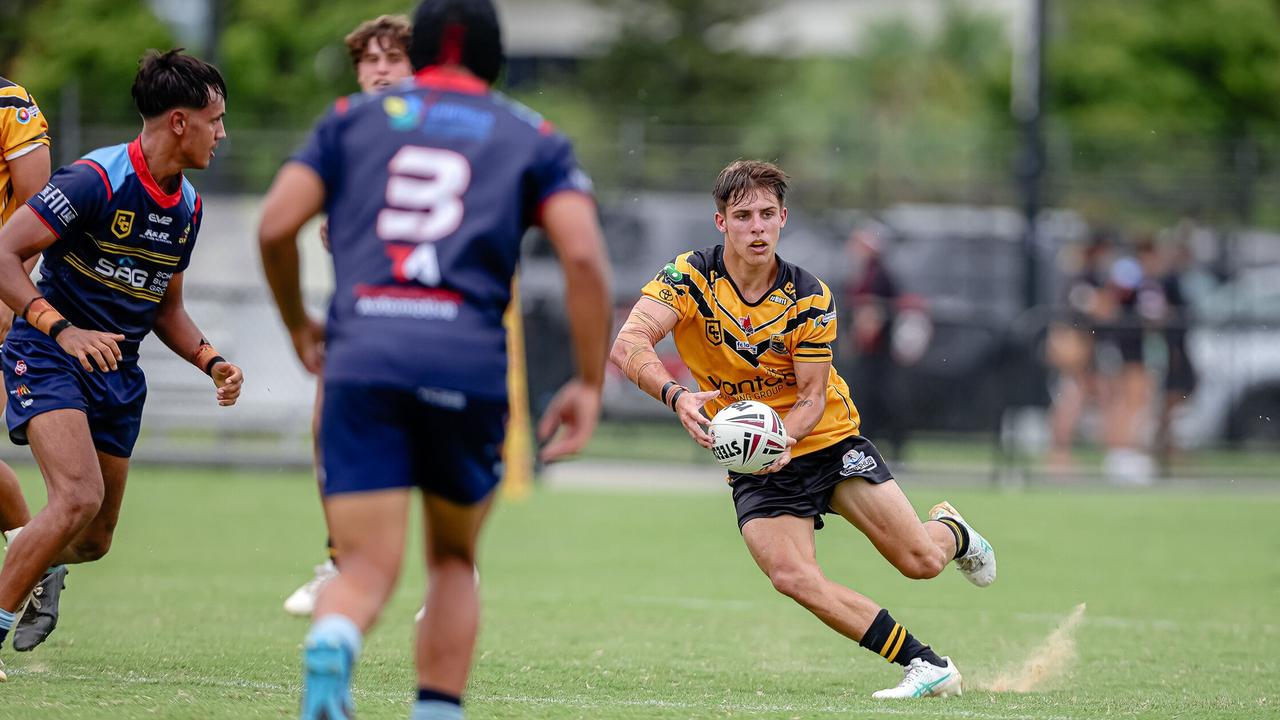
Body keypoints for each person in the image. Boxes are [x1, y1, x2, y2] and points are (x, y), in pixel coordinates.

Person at [258, 1, 611, 717]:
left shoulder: (352, 120)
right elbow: (581, 255)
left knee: (362, 566)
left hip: (364, 358)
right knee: (451, 559)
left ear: (414, 55)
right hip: (465, 365)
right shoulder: (533, 135)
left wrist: (299, 323)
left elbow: (274, 226)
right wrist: (587, 380)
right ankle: (435, 708)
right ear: (496, 59)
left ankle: (335, 634)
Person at [610, 160, 996, 699]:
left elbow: (813, 397)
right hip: (751, 452)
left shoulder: (808, 294)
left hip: (825, 439)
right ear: (720, 223)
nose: (757, 227)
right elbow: (629, 344)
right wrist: (676, 396)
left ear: (784, 219)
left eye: (768, 214)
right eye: (743, 216)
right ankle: (925, 664)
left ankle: (953, 532)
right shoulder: (688, 277)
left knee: (922, 562)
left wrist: (781, 439)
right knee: (791, 575)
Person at [0, 50, 243, 670]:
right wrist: (60, 328)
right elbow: (4, 252)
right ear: (180, 122)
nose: (223, 133)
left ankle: (33, 556)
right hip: (48, 352)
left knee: (94, 538)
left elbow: (166, 309)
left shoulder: (186, 205)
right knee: (75, 497)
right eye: (216, 119)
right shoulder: (95, 179)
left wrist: (211, 360)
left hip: (118, 373)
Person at [282, 13, 416, 620]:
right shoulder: (344, 131)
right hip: (358, 315)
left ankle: (451, 570)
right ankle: (339, 561)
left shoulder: (437, 127)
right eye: (370, 60)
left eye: (392, 58)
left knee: (429, 442)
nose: (380, 70)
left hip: (429, 315)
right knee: (326, 430)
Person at [0, 74, 55, 650]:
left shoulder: (9, 104)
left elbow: (36, 217)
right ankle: (34, 557)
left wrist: (9, 299)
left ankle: (33, 556)